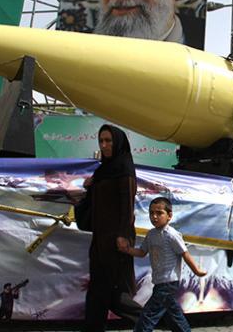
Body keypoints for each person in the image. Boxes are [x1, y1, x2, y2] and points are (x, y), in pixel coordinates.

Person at [82, 124, 139, 331]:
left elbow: (127, 205)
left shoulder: (124, 168)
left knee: (111, 292)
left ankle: (148, 320)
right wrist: (89, 186)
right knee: (98, 288)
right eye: (101, 141)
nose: (104, 145)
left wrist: (123, 235)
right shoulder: (103, 170)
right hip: (100, 238)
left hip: (116, 240)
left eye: (109, 141)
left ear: (118, 142)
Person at [122, 196, 206, 332]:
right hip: (160, 282)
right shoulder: (151, 234)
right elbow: (142, 252)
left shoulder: (172, 235)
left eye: (159, 213)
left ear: (169, 216)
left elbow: (184, 253)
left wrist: (196, 270)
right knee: (173, 316)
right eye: (151, 213)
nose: (154, 217)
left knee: (148, 316)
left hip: (169, 282)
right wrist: (127, 250)